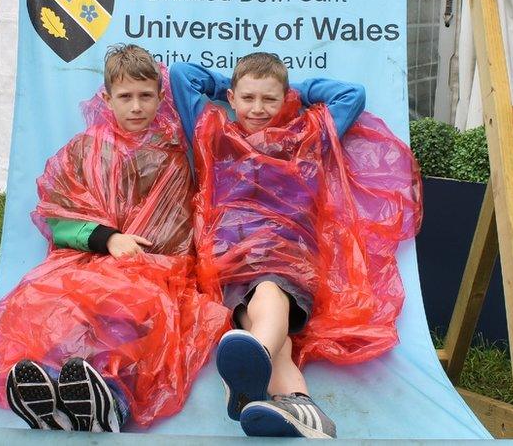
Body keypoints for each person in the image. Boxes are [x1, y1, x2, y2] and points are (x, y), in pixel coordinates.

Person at [0, 44, 226, 432]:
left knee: (132, 308)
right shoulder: (86, 150)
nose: (136, 107)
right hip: (93, 258)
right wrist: (108, 238)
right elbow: (58, 215)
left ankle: (112, 399)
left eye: (146, 96)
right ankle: (54, 388)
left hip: (159, 268)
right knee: (59, 299)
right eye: (126, 97)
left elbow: (180, 224)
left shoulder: (174, 149)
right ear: (107, 98)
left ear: (160, 96)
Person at [170, 54, 420, 439]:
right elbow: (182, 75)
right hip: (228, 264)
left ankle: (255, 360)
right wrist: (227, 87)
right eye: (248, 98)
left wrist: (296, 93)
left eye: (270, 99)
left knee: (268, 294)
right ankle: (301, 406)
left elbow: (352, 95)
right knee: (269, 329)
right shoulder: (213, 134)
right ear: (233, 99)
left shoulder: (306, 137)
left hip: (287, 258)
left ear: (284, 98)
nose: (258, 109)